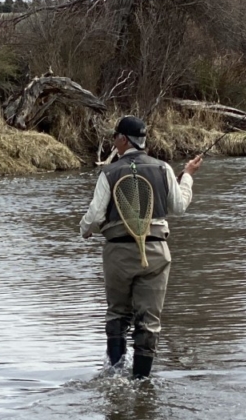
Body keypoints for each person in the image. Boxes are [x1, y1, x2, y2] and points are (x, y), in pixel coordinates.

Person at [79, 115, 202, 378]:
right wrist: (187, 177)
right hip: (157, 253)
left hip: (119, 253)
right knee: (149, 322)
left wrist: (85, 231)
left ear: (123, 140)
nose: (114, 141)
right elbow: (178, 207)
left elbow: (95, 216)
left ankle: (113, 376)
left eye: (115, 137)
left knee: (118, 315)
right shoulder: (163, 168)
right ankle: (142, 383)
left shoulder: (109, 172)